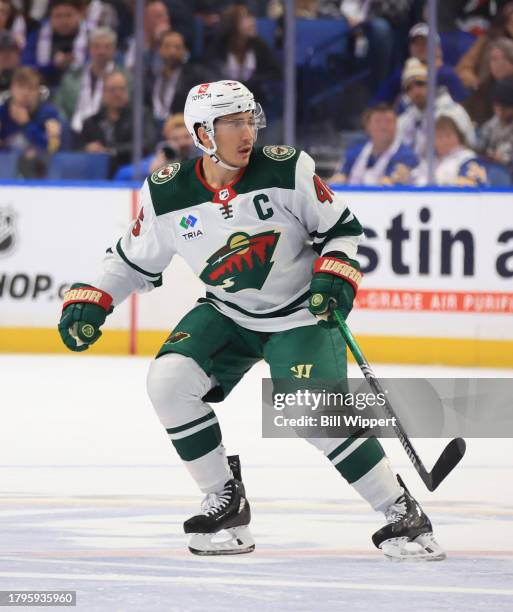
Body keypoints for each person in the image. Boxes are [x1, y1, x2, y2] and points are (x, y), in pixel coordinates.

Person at [57, 79, 445, 561]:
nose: (247, 133)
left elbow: (341, 231)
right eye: (232, 123)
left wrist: (335, 274)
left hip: (301, 313)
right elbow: (132, 261)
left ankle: (400, 510)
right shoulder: (167, 192)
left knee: (309, 411)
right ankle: (225, 501)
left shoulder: (288, 169)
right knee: (168, 382)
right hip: (228, 313)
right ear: (202, 132)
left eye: (249, 120)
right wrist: (96, 296)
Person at [78, 70, 156, 176]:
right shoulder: (91, 122)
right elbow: (79, 149)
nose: (118, 94)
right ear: (103, 93)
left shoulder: (141, 115)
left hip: (131, 169)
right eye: (112, 90)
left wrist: (112, 151)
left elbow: (147, 144)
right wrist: (88, 148)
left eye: (122, 89)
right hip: (98, 173)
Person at [374, 23, 468, 109]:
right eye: (416, 43)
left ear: (437, 48)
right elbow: (378, 103)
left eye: (425, 42)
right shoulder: (401, 73)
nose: (421, 46)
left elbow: (462, 106)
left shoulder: (447, 74)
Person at [398, 58, 475, 159]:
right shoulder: (404, 120)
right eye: (409, 88)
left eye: (420, 84)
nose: (415, 91)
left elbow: (468, 148)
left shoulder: (453, 112)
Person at [330, 103, 418, 186]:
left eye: (388, 121)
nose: (383, 127)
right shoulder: (356, 150)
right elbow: (341, 175)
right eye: (378, 122)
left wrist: (394, 180)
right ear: (367, 126)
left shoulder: (405, 155)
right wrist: (339, 179)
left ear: (396, 126)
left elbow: (392, 181)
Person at [53, 26, 120, 134]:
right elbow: (59, 106)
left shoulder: (122, 78)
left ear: (115, 50)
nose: (101, 51)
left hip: (108, 131)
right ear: (89, 49)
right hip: (73, 131)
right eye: (97, 46)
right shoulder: (72, 77)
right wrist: (64, 125)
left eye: (107, 47)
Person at [145, 29, 213, 123]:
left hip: (180, 127)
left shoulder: (195, 77)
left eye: (177, 47)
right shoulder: (150, 76)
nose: (172, 52)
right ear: (160, 49)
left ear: (185, 51)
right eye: (167, 46)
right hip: (151, 127)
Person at [21, 0, 89, 88]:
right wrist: (53, 65)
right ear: (50, 17)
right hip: (42, 88)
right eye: (58, 16)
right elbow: (26, 68)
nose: (64, 21)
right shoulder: (36, 36)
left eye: (69, 15)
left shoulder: (91, 36)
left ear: (80, 15)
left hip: (81, 89)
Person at [113, 112, 196, 180]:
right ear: (167, 139)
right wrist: (151, 172)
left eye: (186, 137)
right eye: (175, 139)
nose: (182, 142)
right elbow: (122, 175)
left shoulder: (202, 158)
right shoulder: (157, 160)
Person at [413, 111, 488, 187]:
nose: (444, 141)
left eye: (448, 136)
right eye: (439, 137)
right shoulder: (429, 161)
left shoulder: (468, 158)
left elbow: (472, 187)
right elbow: (413, 181)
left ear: (458, 137)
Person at [0, 66, 62, 153]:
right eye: (20, 86)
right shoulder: (2, 112)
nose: (25, 93)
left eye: (31, 88)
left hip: (39, 165)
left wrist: (26, 125)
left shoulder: (49, 114)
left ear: (38, 92)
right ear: (11, 88)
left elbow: (53, 148)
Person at [476, 76, 513, 175]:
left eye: (505, 107)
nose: (500, 111)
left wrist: (505, 160)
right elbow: (478, 148)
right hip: (490, 174)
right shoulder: (491, 124)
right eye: (497, 106)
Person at [0, 30, 21, 100]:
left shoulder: (26, 79)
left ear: (18, 53)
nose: (6, 55)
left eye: (11, 50)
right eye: (2, 50)